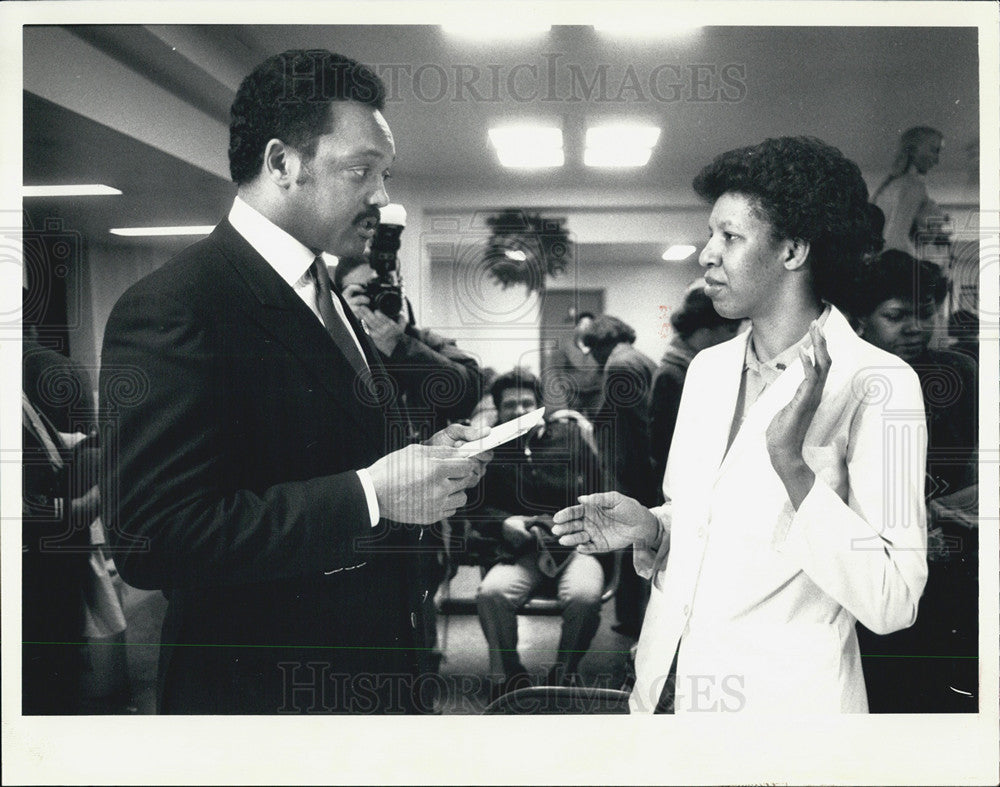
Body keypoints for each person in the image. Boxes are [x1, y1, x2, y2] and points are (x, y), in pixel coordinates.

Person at [99, 49, 490, 715]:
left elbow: (336, 437)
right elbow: (152, 537)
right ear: (282, 163)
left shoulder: (328, 288)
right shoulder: (176, 305)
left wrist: (423, 458)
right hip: (265, 691)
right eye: (361, 170)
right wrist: (372, 493)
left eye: (384, 173)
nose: (383, 197)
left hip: (374, 665)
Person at [554, 136, 928, 714]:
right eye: (712, 236)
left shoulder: (882, 383)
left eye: (729, 236)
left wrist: (794, 471)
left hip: (783, 718)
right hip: (669, 688)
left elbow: (893, 599)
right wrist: (653, 527)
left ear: (794, 250)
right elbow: (709, 524)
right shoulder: (708, 369)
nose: (707, 254)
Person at [336, 252, 484, 689]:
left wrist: (399, 346)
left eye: (384, 291)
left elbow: (465, 388)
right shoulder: (333, 345)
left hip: (423, 506)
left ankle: (421, 687)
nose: (378, 303)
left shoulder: (422, 340)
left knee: (419, 604)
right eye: (362, 293)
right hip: (362, 503)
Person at [851, 250, 978, 712]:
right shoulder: (850, 379)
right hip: (873, 569)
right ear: (860, 319)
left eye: (924, 313)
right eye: (896, 316)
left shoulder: (960, 373)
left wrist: (947, 515)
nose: (915, 328)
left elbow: (978, 472)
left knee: (940, 691)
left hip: (951, 564)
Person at [462, 370, 611, 700]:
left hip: (576, 546)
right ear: (497, 410)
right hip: (519, 550)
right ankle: (509, 675)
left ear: (539, 405)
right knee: (491, 594)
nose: (518, 411)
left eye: (526, 403)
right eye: (510, 405)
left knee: (584, 598)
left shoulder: (570, 439)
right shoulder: (488, 451)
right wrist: (504, 523)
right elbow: (474, 508)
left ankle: (564, 673)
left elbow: (601, 493)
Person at [580, 314, 658, 639]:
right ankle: (634, 617)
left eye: (591, 348)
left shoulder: (619, 365)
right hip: (643, 468)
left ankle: (633, 620)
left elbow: (639, 425)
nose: (592, 357)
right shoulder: (640, 358)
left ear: (601, 342)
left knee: (631, 541)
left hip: (635, 470)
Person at [648, 285, 742, 493]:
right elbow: (663, 445)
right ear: (705, 329)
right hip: (685, 487)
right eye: (730, 330)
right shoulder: (673, 373)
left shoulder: (695, 366)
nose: (735, 337)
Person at [872, 126, 951, 257]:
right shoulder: (912, 186)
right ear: (914, 150)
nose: (937, 160)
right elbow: (894, 241)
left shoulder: (891, 185)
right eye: (934, 151)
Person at [542, 310, 604, 419]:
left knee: (599, 421)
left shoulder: (600, 346)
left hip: (595, 392)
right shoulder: (567, 347)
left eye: (589, 324)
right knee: (573, 422)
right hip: (573, 393)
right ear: (576, 327)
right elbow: (558, 372)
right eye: (582, 324)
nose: (585, 327)